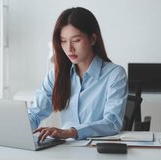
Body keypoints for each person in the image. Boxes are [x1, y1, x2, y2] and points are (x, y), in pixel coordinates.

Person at [29, 7, 128, 142]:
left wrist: (71, 132)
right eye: (63, 41)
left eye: (76, 40)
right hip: (65, 151)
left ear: (92, 39)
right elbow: (34, 114)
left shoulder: (115, 75)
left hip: (97, 151)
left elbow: (112, 123)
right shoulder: (56, 75)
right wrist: (16, 129)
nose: (69, 48)